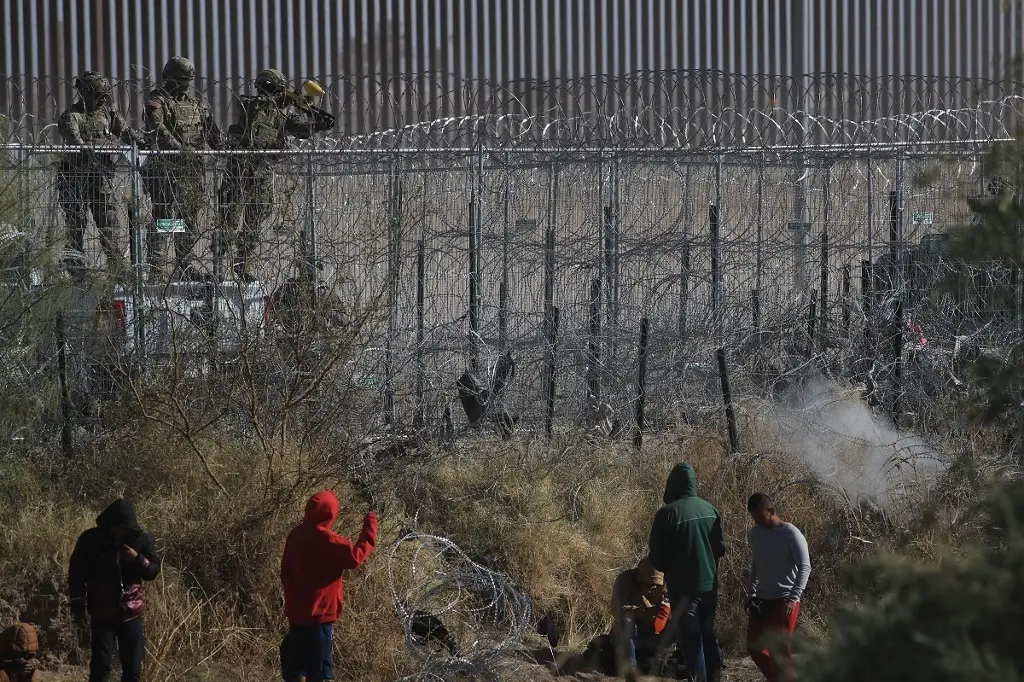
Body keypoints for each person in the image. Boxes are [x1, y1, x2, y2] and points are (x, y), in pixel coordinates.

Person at [217, 68, 334, 282]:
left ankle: (242, 265)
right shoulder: (250, 104)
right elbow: (254, 115)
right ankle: (217, 266)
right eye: (280, 90)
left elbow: (299, 129)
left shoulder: (281, 113)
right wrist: (287, 101)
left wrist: (316, 123)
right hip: (239, 171)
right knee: (229, 219)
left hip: (261, 173)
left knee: (255, 217)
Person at [280, 490, 377, 682]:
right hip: (319, 618)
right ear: (331, 514)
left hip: (297, 616)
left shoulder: (295, 536)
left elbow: (285, 572)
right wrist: (371, 524)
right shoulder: (328, 540)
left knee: (297, 671)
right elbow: (355, 558)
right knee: (320, 673)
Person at [142, 56, 222, 280]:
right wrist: (181, 151)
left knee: (189, 220)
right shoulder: (157, 102)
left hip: (192, 170)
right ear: (167, 78)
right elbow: (157, 129)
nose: (181, 86)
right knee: (164, 217)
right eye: (178, 81)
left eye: (185, 81)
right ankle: (157, 267)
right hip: (166, 168)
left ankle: (184, 265)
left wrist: (228, 148)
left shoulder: (196, 105)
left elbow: (211, 132)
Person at [68, 498, 161, 682]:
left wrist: (137, 559)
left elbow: (153, 572)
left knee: (133, 670)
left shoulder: (141, 540)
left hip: (132, 613)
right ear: (111, 524)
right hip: (102, 612)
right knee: (101, 670)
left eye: (127, 529)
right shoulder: (90, 540)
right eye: (120, 528)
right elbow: (76, 573)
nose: (122, 533)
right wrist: (78, 604)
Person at [648, 463, 725, 682]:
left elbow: (657, 557)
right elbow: (720, 549)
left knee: (692, 641)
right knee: (709, 636)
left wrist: (670, 569)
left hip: (683, 590)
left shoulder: (667, 514)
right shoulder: (710, 509)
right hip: (710, 587)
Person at [55, 71, 137, 276]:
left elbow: (126, 133)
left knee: (109, 225)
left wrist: (139, 142)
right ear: (86, 93)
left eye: (105, 96)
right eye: (100, 95)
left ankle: (117, 267)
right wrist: (86, 148)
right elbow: (72, 137)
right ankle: (76, 267)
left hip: (101, 179)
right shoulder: (72, 115)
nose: (103, 99)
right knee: (76, 224)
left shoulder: (107, 114)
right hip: (76, 179)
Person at [745, 492, 811, 682]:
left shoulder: (791, 534)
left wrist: (793, 597)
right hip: (761, 600)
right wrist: (751, 592)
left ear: (772, 510)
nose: (756, 521)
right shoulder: (756, 533)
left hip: (784, 600)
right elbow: (756, 565)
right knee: (754, 646)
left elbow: (805, 567)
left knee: (780, 652)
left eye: (759, 516)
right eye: (753, 517)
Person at [610, 557, 671, 679]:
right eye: (647, 584)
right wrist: (643, 611)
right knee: (626, 621)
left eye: (654, 585)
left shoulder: (666, 583)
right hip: (629, 635)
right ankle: (631, 670)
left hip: (654, 632)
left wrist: (666, 611)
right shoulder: (625, 581)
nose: (651, 589)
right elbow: (617, 611)